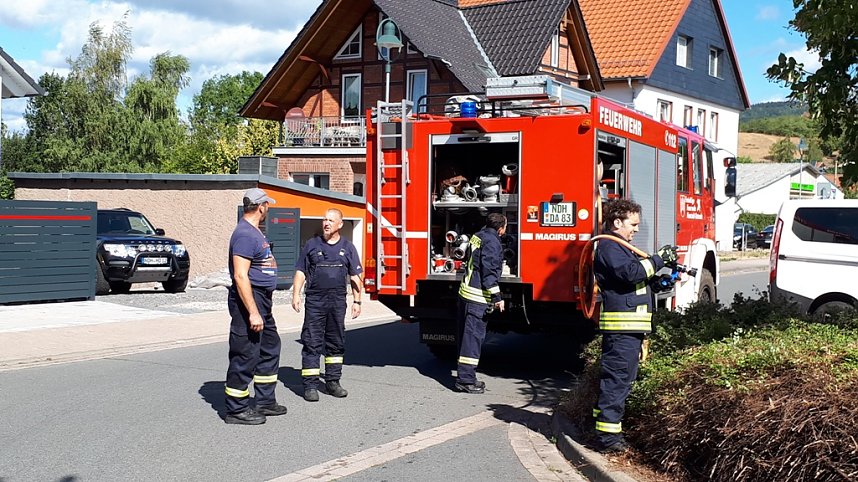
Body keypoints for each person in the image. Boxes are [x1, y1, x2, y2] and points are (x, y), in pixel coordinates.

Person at [593, 199, 677, 452]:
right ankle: (608, 439)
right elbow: (630, 273)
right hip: (622, 331)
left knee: (619, 382)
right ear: (617, 222)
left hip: (630, 330)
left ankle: (602, 429)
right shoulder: (609, 246)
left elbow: (633, 281)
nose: (636, 229)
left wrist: (659, 284)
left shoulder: (621, 248)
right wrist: (659, 259)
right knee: (616, 382)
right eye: (634, 224)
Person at [224, 187, 288, 425]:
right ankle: (236, 410)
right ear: (261, 207)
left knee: (270, 346)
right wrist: (252, 312)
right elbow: (240, 276)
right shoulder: (244, 234)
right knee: (245, 352)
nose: (268, 209)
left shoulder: (254, 233)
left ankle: (265, 401)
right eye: (267, 205)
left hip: (262, 300)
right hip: (250, 300)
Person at [292, 208, 363, 402]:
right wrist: (295, 294)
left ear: (340, 224)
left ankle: (333, 382)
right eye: (324, 219)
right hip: (315, 301)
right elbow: (300, 271)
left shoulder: (348, 247)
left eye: (331, 220)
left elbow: (356, 276)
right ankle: (310, 386)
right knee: (312, 341)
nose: (326, 223)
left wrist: (357, 301)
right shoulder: (311, 245)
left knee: (336, 342)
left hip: (337, 301)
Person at [454, 212, 507, 394]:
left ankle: (465, 376)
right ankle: (466, 380)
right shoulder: (492, 242)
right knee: (472, 339)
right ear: (501, 229)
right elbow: (489, 271)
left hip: (466, 293)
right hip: (477, 298)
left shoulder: (478, 235)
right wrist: (497, 297)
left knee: (465, 337)